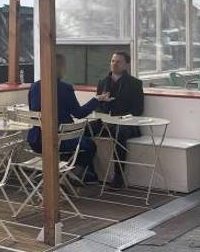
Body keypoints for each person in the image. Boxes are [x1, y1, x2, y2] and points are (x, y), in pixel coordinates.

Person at [27, 54, 112, 183]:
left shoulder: (34, 87)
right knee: (89, 145)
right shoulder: (65, 88)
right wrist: (96, 99)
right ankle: (74, 174)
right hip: (58, 140)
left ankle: (69, 173)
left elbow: (33, 112)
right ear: (60, 67)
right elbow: (79, 113)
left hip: (36, 140)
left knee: (77, 139)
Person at [95, 51, 144, 189]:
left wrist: (120, 118)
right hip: (105, 122)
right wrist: (103, 115)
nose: (114, 64)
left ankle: (118, 176)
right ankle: (86, 171)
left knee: (119, 133)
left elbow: (138, 110)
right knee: (82, 129)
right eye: (112, 61)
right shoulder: (103, 82)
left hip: (126, 124)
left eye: (118, 62)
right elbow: (97, 106)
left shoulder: (135, 84)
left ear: (127, 65)